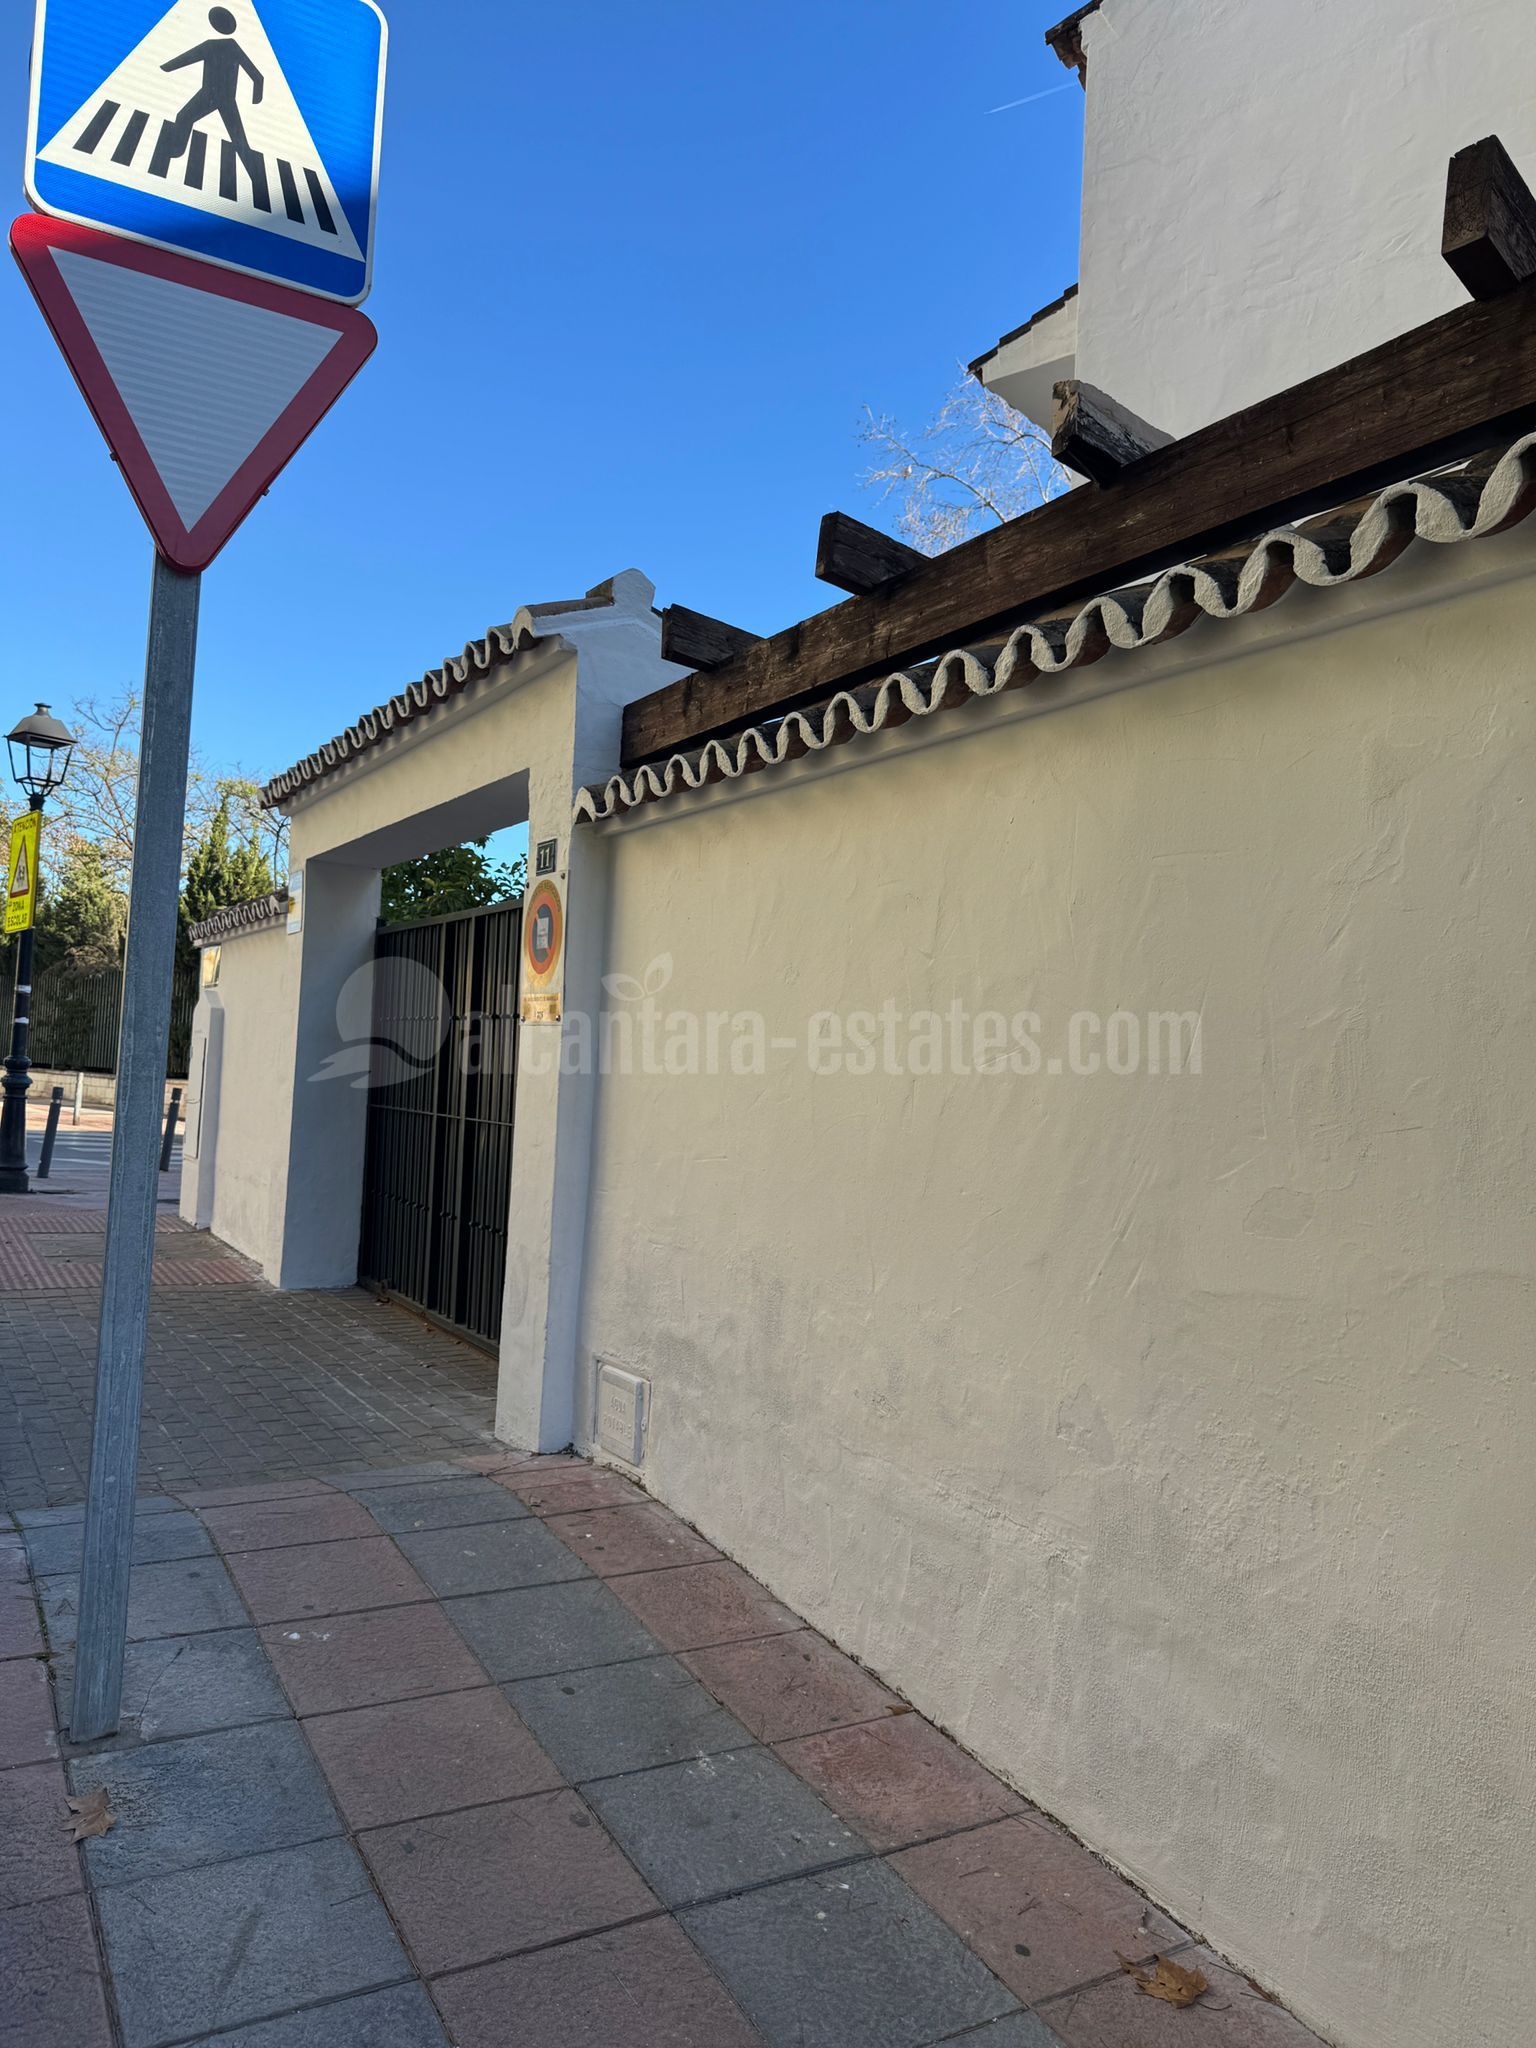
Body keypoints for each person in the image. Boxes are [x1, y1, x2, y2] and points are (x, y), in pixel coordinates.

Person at [154, 8, 265, 187]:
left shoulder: (214, 45)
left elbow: (185, 59)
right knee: (186, 118)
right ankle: (176, 151)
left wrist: (166, 67)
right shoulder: (229, 46)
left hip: (215, 96)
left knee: (188, 119)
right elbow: (258, 77)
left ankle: (257, 177)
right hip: (214, 96)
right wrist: (256, 95)